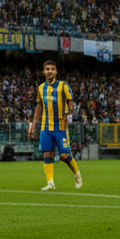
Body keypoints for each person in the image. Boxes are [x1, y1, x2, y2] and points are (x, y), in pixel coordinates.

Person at [27, 59, 82, 190]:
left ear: (56, 71)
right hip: (45, 127)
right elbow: (39, 107)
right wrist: (33, 125)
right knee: (47, 153)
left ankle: (77, 174)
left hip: (60, 126)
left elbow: (70, 102)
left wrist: (67, 113)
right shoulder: (41, 88)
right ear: (44, 71)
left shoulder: (63, 85)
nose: (49, 71)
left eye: (52, 69)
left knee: (64, 156)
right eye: (47, 69)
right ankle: (50, 183)